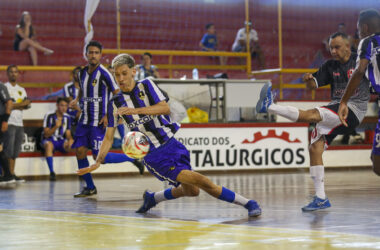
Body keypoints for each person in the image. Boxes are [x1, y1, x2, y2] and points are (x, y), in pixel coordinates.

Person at [77, 53, 262, 217]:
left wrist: (135, 110)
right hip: (153, 155)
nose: (120, 79)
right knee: (202, 180)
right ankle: (248, 203)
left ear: (133, 71)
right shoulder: (114, 104)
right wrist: (98, 162)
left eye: (124, 73)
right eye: (117, 75)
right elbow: (108, 137)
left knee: (192, 191)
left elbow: (164, 108)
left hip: (172, 143)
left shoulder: (147, 85)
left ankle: (153, 198)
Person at [256, 32, 370, 211]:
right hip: (336, 109)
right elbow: (313, 85)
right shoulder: (329, 65)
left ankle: (270, 107)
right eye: (331, 47)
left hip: (353, 110)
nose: (333, 51)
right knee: (315, 148)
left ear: (348, 46)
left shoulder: (360, 61)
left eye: (337, 47)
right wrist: (308, 80)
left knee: (311, 115)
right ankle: (321, 198)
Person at [69, 41, 144, 197]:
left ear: (101, 55)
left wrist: (108, 115)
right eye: (91, 52)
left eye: (96, 52)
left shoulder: (104, 73)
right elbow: (82, 89)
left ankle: (131, 158)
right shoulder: (82, 73)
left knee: (99, 157)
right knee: (80, 152)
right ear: (86, 54)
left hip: (99, 122)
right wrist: (77, 100)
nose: (93, 55)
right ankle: (89, 187)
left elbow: (117, 93)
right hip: (84, 120)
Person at [338, 9, 380, 175]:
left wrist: (344, 100)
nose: (357, 32)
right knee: (374, 159)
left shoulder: (368, 42)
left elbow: (359, 70)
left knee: (377, 165)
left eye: (358, 28)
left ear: (365, 27)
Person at [4, 65, 31, 183]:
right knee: (7, 150)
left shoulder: (21, 89)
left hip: (19, 123)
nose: (13, 74)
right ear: (7, 73)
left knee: (15, 151)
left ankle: (12, 174)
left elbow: (28, 105)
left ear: (18, 74)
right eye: (11, 72)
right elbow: (5, 105)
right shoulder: (4, 87)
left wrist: (13, 105)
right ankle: (6, 174)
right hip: (8, 122)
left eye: (16, 72)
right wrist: (21, 105)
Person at [41, 97, 74, 181]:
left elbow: (68, 134)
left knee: (74, 144)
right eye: (62, 105)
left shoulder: (68, 117)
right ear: (57, 105)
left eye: (66, 106)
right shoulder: (49, 115)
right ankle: (52, 172)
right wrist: (56, 126)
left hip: (61, 141)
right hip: (49, 140)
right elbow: (46, 134)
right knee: (48, 145)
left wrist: (70, 140)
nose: (64, 108)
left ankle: (81, 172)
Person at [0, 82, 15, 184]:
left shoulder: (1, 86)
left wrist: (5, 120)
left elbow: (9, 103)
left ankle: (8, 175)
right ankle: (8, 175)